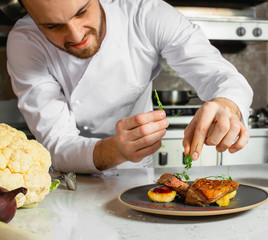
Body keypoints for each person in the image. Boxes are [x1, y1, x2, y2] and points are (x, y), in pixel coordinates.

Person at [7, 0, 253, 174]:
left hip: (134, 176)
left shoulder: (146, 15)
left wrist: (226, 104)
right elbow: (58, 144)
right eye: (52, 26)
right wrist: (114, 149)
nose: (75, 35)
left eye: (81, 12)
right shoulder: (26, 42)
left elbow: (222, 76)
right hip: (70, 182)